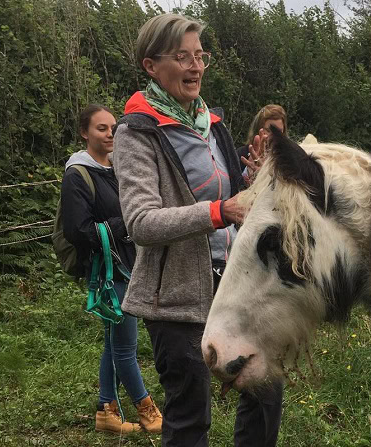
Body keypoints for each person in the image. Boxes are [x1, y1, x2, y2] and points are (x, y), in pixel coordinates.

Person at [113, 14, 282, 447]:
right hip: (175, 297)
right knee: (190, 415)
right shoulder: (136, 133)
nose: (195, 67)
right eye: (182, 56)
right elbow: (141, 222)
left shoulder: (213, 124)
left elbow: (234, 201)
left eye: (200, 56)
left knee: (265, 391)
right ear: (151, 66)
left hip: (235, 283)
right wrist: (218, 211)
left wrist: (253, 181)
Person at [60, 104, 163, 435]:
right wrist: (125, 224)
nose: (110, 134)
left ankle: (106, 411)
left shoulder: (117, 169)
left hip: (129, 264)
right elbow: (79, 231)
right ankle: (147, 412)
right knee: (125, 346)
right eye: (101, 128)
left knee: (114, 341)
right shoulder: (78, 174)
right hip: (108, 270)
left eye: (113, 128)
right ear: (84, 133)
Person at [237, 104, 288, 172]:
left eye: (279, 131)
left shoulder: (288, 157)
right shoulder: (242, 154)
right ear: (259, 128)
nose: (275, 136)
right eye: (269, 130)